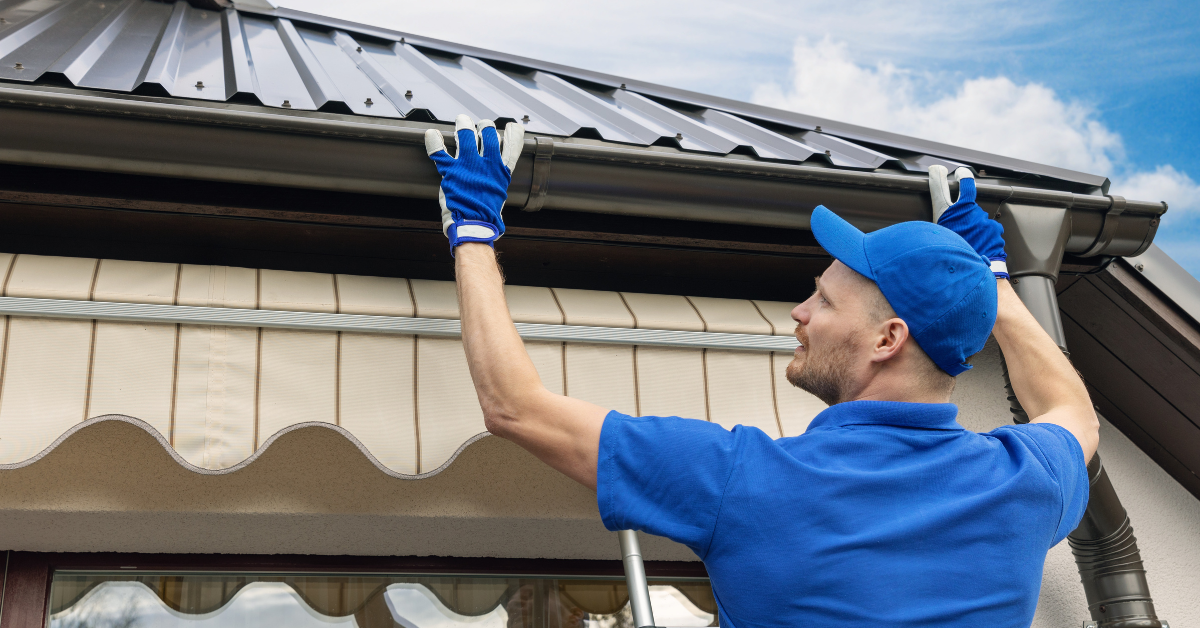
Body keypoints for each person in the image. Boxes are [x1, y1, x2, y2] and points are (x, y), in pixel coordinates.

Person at [424, 115, 1096, 628]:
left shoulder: (745, 483)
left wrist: (474, 232)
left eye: (825, 301)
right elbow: (1072, 411)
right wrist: (994, 290)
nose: (801, 312)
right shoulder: (1022, 482)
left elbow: (513, 406)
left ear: (889, 338)